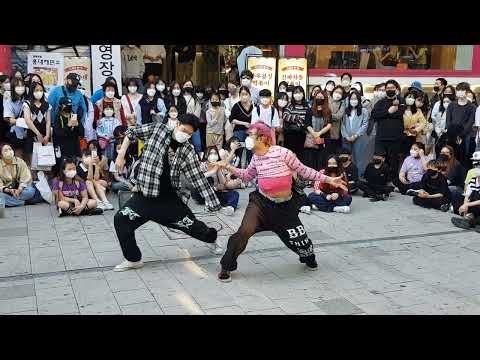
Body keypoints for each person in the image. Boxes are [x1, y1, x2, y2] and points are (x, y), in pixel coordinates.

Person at [215, 121, 347, 282]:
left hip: (285, 207)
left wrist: (328, 179)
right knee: (243, 232)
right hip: (261, 204)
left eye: (251, 135)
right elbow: (247, 175)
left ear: (262, 137)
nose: (248, 138)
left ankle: (309, 259)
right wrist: (228, 167)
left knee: (302, 243)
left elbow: (304, 170)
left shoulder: (283, 153)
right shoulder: (256, 157)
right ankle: (227, 266)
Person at [113, 113, 223, 271]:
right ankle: (133, 259)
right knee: (121, 220)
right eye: (184, 130)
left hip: (169, 200)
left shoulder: (187, 150)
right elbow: (131, 132)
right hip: (144, 195)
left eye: (190, 134)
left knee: (192, 226)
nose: (185, 135)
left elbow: (197, 178)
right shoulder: (157, 129)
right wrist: (121, 155)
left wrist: (214, 203)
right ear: (177, 123)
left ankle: (212, 238)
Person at [372, 79, 406, 181]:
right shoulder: (380, 102)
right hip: (381, 137)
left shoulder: (401, 101)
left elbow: (399, 114)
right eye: (388, 88)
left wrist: (387, 113)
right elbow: (374, 115)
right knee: (380, 159)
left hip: (395, 137)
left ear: (396, 89)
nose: (389, 90)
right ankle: (381, 180)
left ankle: (393, 181)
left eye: (392, 88)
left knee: (394, 161)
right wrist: (388, 112)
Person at [191, 146, 240, 215]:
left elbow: (223, 183)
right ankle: (209, 206)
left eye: (215, 154)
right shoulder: (202, 165)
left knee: (235, 194)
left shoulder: (217, 166)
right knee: (209, 179)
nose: (213, 156)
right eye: (211, 153)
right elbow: (198, 178)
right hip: (200, 195)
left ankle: (230, 208)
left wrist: (218, 169)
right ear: (206, 155)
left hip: (214, 195)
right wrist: (213, 172)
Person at [446, 82, 476, 168]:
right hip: (451, 136)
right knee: (450, 159)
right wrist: (452, 134)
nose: (459, 92)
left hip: (465, 137)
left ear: (467, 92)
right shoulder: (451, 105)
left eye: (462, 90)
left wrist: (460, 135)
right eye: (458, 90)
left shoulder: (472, 107)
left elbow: (470, 123)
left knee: (464, 159)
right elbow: (448, 121)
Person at [341, 89, 369, 177]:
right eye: (351, 99)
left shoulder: (364, 111)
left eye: (355, 99)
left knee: (358, 158)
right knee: (345, 158)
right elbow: (342, 124)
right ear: (349, 100)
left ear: (359, 100)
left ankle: (358, 176)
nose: (353, 101)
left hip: (359, 138)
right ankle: (344, 175)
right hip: (346, 138)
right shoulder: (345, 111)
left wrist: (356, 135)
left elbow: (365, 124)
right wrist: (346, 136)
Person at [23, 82, 52, 166]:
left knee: (45, 161)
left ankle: (44, 178)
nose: (39, 92)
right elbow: (28, 120)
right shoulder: (27, 104)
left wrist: (47, 135)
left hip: (44, 135)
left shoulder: (47, 105)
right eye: (36, 90)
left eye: (41, 90)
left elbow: (48, 121)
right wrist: (38, 134)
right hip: (32, 134)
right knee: (33, 162)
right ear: (32, 91)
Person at [303, 89, 332, 171]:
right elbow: (307, 124)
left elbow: (329, 124)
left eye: (321, 97)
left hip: (324, 139)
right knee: (311, 161)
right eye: (318, 97)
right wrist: (314, 134)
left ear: (325, 99)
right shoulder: (310, 110)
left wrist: (319, 133)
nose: (319, 98)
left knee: (322, 160)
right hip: (312, 139)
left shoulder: (327, 111)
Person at [53, 97, 84, 163]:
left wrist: (78, 126)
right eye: (66, 105)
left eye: (70, 105)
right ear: (61, 106)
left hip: (75, 149)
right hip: (63, 149)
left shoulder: (74, 116)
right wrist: (68, 126)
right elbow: (58, 133)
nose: (68, 106)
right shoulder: (58, 117)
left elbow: (82, 133)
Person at [3, 78, 27, 160]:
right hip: (16, 133)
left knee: (29, 158)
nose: (20, 88)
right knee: (19, 158)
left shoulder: (26, 99)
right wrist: (25, 121)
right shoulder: (9, 100)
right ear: (13, 87)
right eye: (18, 86)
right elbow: (8, 119)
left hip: (29, 133)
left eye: (22, 85)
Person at [229, 86, 253, 167]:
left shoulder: (254, 106)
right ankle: (237, 170)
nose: (244, 96)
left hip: (251, 132)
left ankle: (250, 170)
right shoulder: (236, 106)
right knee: (239, 150)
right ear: (239, 95)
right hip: (239, 131)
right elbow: (232, 119)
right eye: (242, 94)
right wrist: (243, 123)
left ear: (249, 95)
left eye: (246, 94)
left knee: (251, 150)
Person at [451, 166, 480, 231]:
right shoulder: (473, 180)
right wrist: (465, 212)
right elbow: (467, 196)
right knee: (463, 197)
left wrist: (467, 205)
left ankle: (472, 222)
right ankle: (468, 220)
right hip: (475, 208)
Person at [282, 86, 308, 158]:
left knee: (301, 156)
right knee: (290, 156)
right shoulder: (290, 105)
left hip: (302, 135)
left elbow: (308, 118)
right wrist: (298, 118)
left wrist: (300, 120)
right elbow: (285, 116)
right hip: (291, 134)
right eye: (296, 92)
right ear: (293, 94)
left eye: (300, 92)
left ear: (303, 94)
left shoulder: (306, 105)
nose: (298, 94)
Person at [402, 90, 427, 157]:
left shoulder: (418, 110)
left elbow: (423, 122)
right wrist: (406, 128)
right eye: (408, 97)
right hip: (401, 135)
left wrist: (416, 129)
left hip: (413, 136)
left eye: (412, 98)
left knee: (411, 155)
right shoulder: (400, 109)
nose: (410, 99)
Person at [328, 85, 346, 154]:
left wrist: (327, 115)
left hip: (335, 133)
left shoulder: (342, 104)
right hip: (323, 131)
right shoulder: (326, 100)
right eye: (336, 92)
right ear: (333, 92)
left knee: (334, 153)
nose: (337, 94)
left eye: (340, 93)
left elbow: (339, 116)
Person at [0, 75, 10, 144]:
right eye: (6, 82)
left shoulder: (10, 94)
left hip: (8, 124)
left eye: (9, 82)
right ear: (0, 83)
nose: (8, 84)